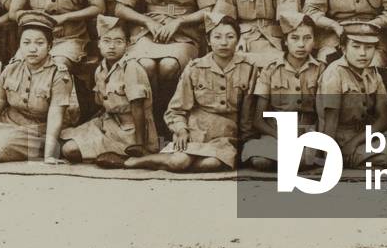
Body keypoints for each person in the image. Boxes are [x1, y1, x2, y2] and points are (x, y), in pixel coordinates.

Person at [126, 13, 255, 172]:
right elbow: (175, 109)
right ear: (208, 41)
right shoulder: (195, 68)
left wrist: (245, 141)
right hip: (195, 131)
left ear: (238, 40)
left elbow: (248, 113)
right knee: (179, 162)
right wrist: (181, 130)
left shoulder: (248, 68)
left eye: (230, 37)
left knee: (211, 163)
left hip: (226, 136)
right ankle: (139, 161)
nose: (223, 42)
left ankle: (172, 162)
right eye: (217, 37)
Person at [0, 11, 72, 163]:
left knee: (0, 147)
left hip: (40, 129)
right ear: (20, 45)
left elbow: (55, 115)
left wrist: (50, 155)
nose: (32, 49)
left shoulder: (58, 74)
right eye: (26, 43)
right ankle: (28, 149)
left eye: (39, 43)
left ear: (50, 46)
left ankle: (46, 147)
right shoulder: (11, 69)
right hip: (9, 124)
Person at [59, 15, 159, 168]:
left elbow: (138, 108)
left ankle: (126, 158)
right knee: (62, 140)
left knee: (70, 150)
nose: (112, 46)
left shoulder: (130, 67)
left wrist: (139, 146)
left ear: (127, 44)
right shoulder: (101, 69)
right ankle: (106, 154)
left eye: (118, 41)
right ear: (99, 44)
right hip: (109, 123)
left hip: (129, 131)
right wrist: (89, 127)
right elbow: (103, 105)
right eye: (107, 41)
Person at [241, 12, 326, 171]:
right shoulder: (271, 70)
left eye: (307, 38)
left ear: (314, 41)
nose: (301, 44)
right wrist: (281, 136)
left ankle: (288, 161)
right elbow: (258, 119)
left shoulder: (321, 70)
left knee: (304, 160)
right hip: (276, 133)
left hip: (308, 132)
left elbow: (323, 114)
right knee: (260, 161)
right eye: (294, 38)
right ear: (285, 41)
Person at [315, 21, 387, 168]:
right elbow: (330, 121)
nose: (363, 53)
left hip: (363, 135)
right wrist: (328, 157)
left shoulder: (372, 73)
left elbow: (384, 117)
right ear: (343, 48)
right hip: (340, 138)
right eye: (356, 47)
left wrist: (356, 142)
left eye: (369, 47)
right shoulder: (334, 73)